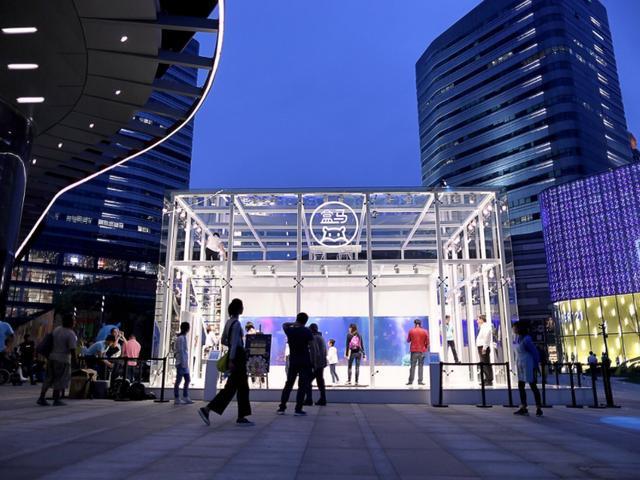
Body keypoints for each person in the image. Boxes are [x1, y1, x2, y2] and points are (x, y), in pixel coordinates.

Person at [199, 299, 253, 426]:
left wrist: (232, 350)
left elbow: (223, 340)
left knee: (234, 388)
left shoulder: (229, 322)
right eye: (241, 306)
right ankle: (209, 410)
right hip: (237, 358)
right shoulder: (237, 324)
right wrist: (233, 358)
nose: (243, 308)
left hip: (233, 356)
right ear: (238, 309)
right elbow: (234, 344)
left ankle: (211, 410)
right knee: (239, 388)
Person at [277, 312, 314, 416]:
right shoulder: (307, 331)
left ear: (297, 319)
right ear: (306, 321)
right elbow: (312, 347)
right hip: (304, 360)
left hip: (293, 360)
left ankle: (282, 408)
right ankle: (298, 409)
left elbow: (284, 324)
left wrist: (294, 323)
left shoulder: (290, 330)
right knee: (302, 386)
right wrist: (313, 361)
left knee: (289, 384)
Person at [37, 315, 77, 406]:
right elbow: (72, 349)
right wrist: (75, 361)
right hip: (63, 359)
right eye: (74, 321)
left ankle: (41, 397)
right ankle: (56, 399)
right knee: (60, 379)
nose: (75, 322)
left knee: (48, 378)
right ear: (70, 322)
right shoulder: (71, 334)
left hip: (51, 357)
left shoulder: (57, 329)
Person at [512, 322, 543, 417]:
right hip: (521, 364)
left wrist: (536, 365)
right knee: (521, 385)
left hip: (529, 365)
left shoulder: (526, 339)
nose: (513, 329)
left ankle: (538, 408)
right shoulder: (518, 338)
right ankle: (524, 407)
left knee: (533, 385)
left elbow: (534, 352)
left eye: (514, 328)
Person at [306, 323, 327, 406]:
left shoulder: (313, 338)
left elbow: (314, 352)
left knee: (307, 381)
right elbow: (324, 351)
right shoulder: (321, 337)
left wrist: (313, 363)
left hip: (317, 364)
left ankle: (309, 399)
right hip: (321, 363)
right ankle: (323, 399)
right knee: (320, 381)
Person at [173, 322, 193, 405]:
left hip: (183, 362)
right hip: (181, 362)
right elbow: (181, 351)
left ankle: (185, 396)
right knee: (179, 380)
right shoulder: (181, 338)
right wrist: (182, 362)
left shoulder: (182, 337)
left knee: (187, 379)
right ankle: (177, 398)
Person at [407, 319, 430, 385]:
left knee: (412, 366)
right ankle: (420, 381)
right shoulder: (425, 331)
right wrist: (425, 348)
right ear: (420, 324)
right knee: (420, 366)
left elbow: (408, 340)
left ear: (415, 324)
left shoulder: (411, 330)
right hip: (422, 351)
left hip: (414, 351)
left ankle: (410, 381)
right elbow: (428, 342)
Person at [476, 314, 493, 386]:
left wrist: (484, 348)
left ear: (481, 320)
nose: (477, 321)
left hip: (483, 347)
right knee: (484, 364)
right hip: (482, 347)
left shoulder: (486, 327)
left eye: (478, 319)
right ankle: (487, 379)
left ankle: (489, 380)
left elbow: (487, 338)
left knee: (485, 364)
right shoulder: (482, 327)